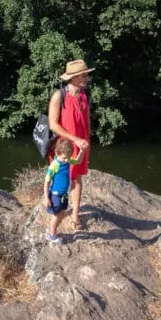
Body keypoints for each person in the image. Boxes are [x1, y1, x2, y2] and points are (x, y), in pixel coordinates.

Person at [47, 59, 94, 232]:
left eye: (86, 74)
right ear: (73, 78)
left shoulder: (84, 95)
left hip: (81, 144)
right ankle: (55, 209)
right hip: (64, 146)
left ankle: (75, 216)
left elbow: (87, 120)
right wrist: (75, 139)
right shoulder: (59, 96)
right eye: (83, 75)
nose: (86, 77)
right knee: (60, 179)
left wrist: (86, 143)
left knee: (77, 178)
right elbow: (53, 125)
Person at [43, 138, 83, 242]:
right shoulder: (54, 166)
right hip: (56, 195)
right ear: (57, 153)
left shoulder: (67, 160)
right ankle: (51, 235)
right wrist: (46, 198)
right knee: (56, 216)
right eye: (64, 158)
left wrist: (82, 151)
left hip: (64, 194)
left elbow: (78, 161)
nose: (67, 160)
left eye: (68, 157)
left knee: (61, 213)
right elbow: (46, 182)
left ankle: (53, 230)